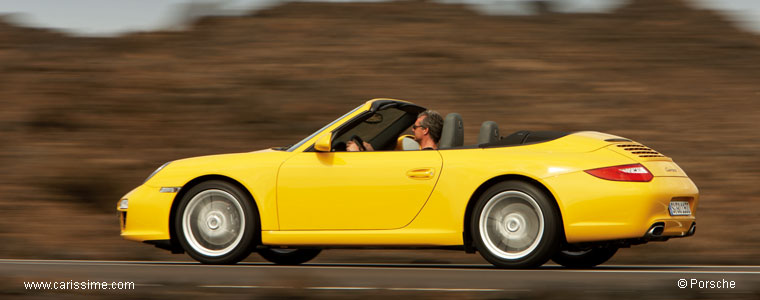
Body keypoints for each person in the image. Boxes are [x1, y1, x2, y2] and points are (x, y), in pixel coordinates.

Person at [346, 109, 443, 151]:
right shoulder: (430, 155)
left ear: (425, 130)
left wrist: (355, 154)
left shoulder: (425, 157)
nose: (413, 130)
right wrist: (371, 151)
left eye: (415, 127)